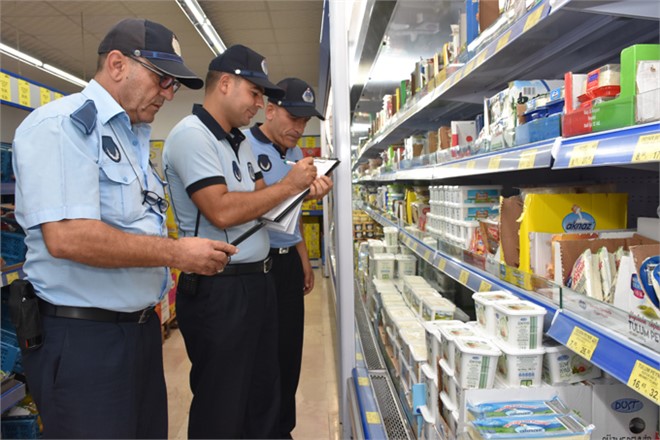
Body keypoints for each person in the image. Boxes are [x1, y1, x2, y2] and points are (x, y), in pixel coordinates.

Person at [11, 18, 236, 439]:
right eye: (162, 79)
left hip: (139, 332)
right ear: (117, 65)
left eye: (174, 85)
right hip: (84, 341)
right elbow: (67, 236)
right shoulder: (62, 126)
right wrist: (177, 253)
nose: (169, 94)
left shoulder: (133, 139)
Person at [162, 44, 328, 439]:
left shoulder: (237, 141)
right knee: (223, 402)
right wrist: (288, 185)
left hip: (257, 280)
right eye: (254, 93)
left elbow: (260, 204)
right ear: (224, 84)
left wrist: (299, 193)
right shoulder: (192, 136)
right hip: (220, 287)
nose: (258, 104)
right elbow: (220, 210)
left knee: (262, 393)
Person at [244, 77, 332, 438]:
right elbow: (252, 209)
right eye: (293, 118)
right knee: (261, 357)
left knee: (289, 350)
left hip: (287, 262)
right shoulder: (244, 146)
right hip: (257, 264)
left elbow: (290, 216)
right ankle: (262, 429)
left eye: (304, 121)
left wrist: (302, 256)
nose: (299, 128)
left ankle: (283, 428)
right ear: (270, 110)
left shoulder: (296, 155)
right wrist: (294, 188)